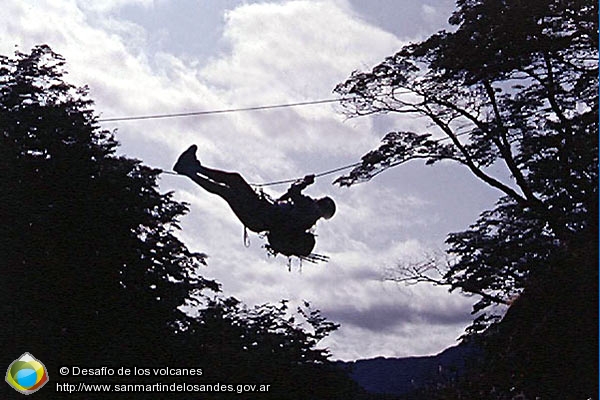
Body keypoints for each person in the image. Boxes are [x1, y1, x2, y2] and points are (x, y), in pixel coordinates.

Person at [173, 145, 336, 257]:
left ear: (322, 205)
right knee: (227, 191)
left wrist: (304, 183)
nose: (317, 198)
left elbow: (293, 193)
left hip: (261, 212)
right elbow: (285, 202)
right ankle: (190, 170)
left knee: (233, 182)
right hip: (258, 221)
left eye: (320, 199)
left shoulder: (309, 209)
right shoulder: (307, 220)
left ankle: (193, 168)